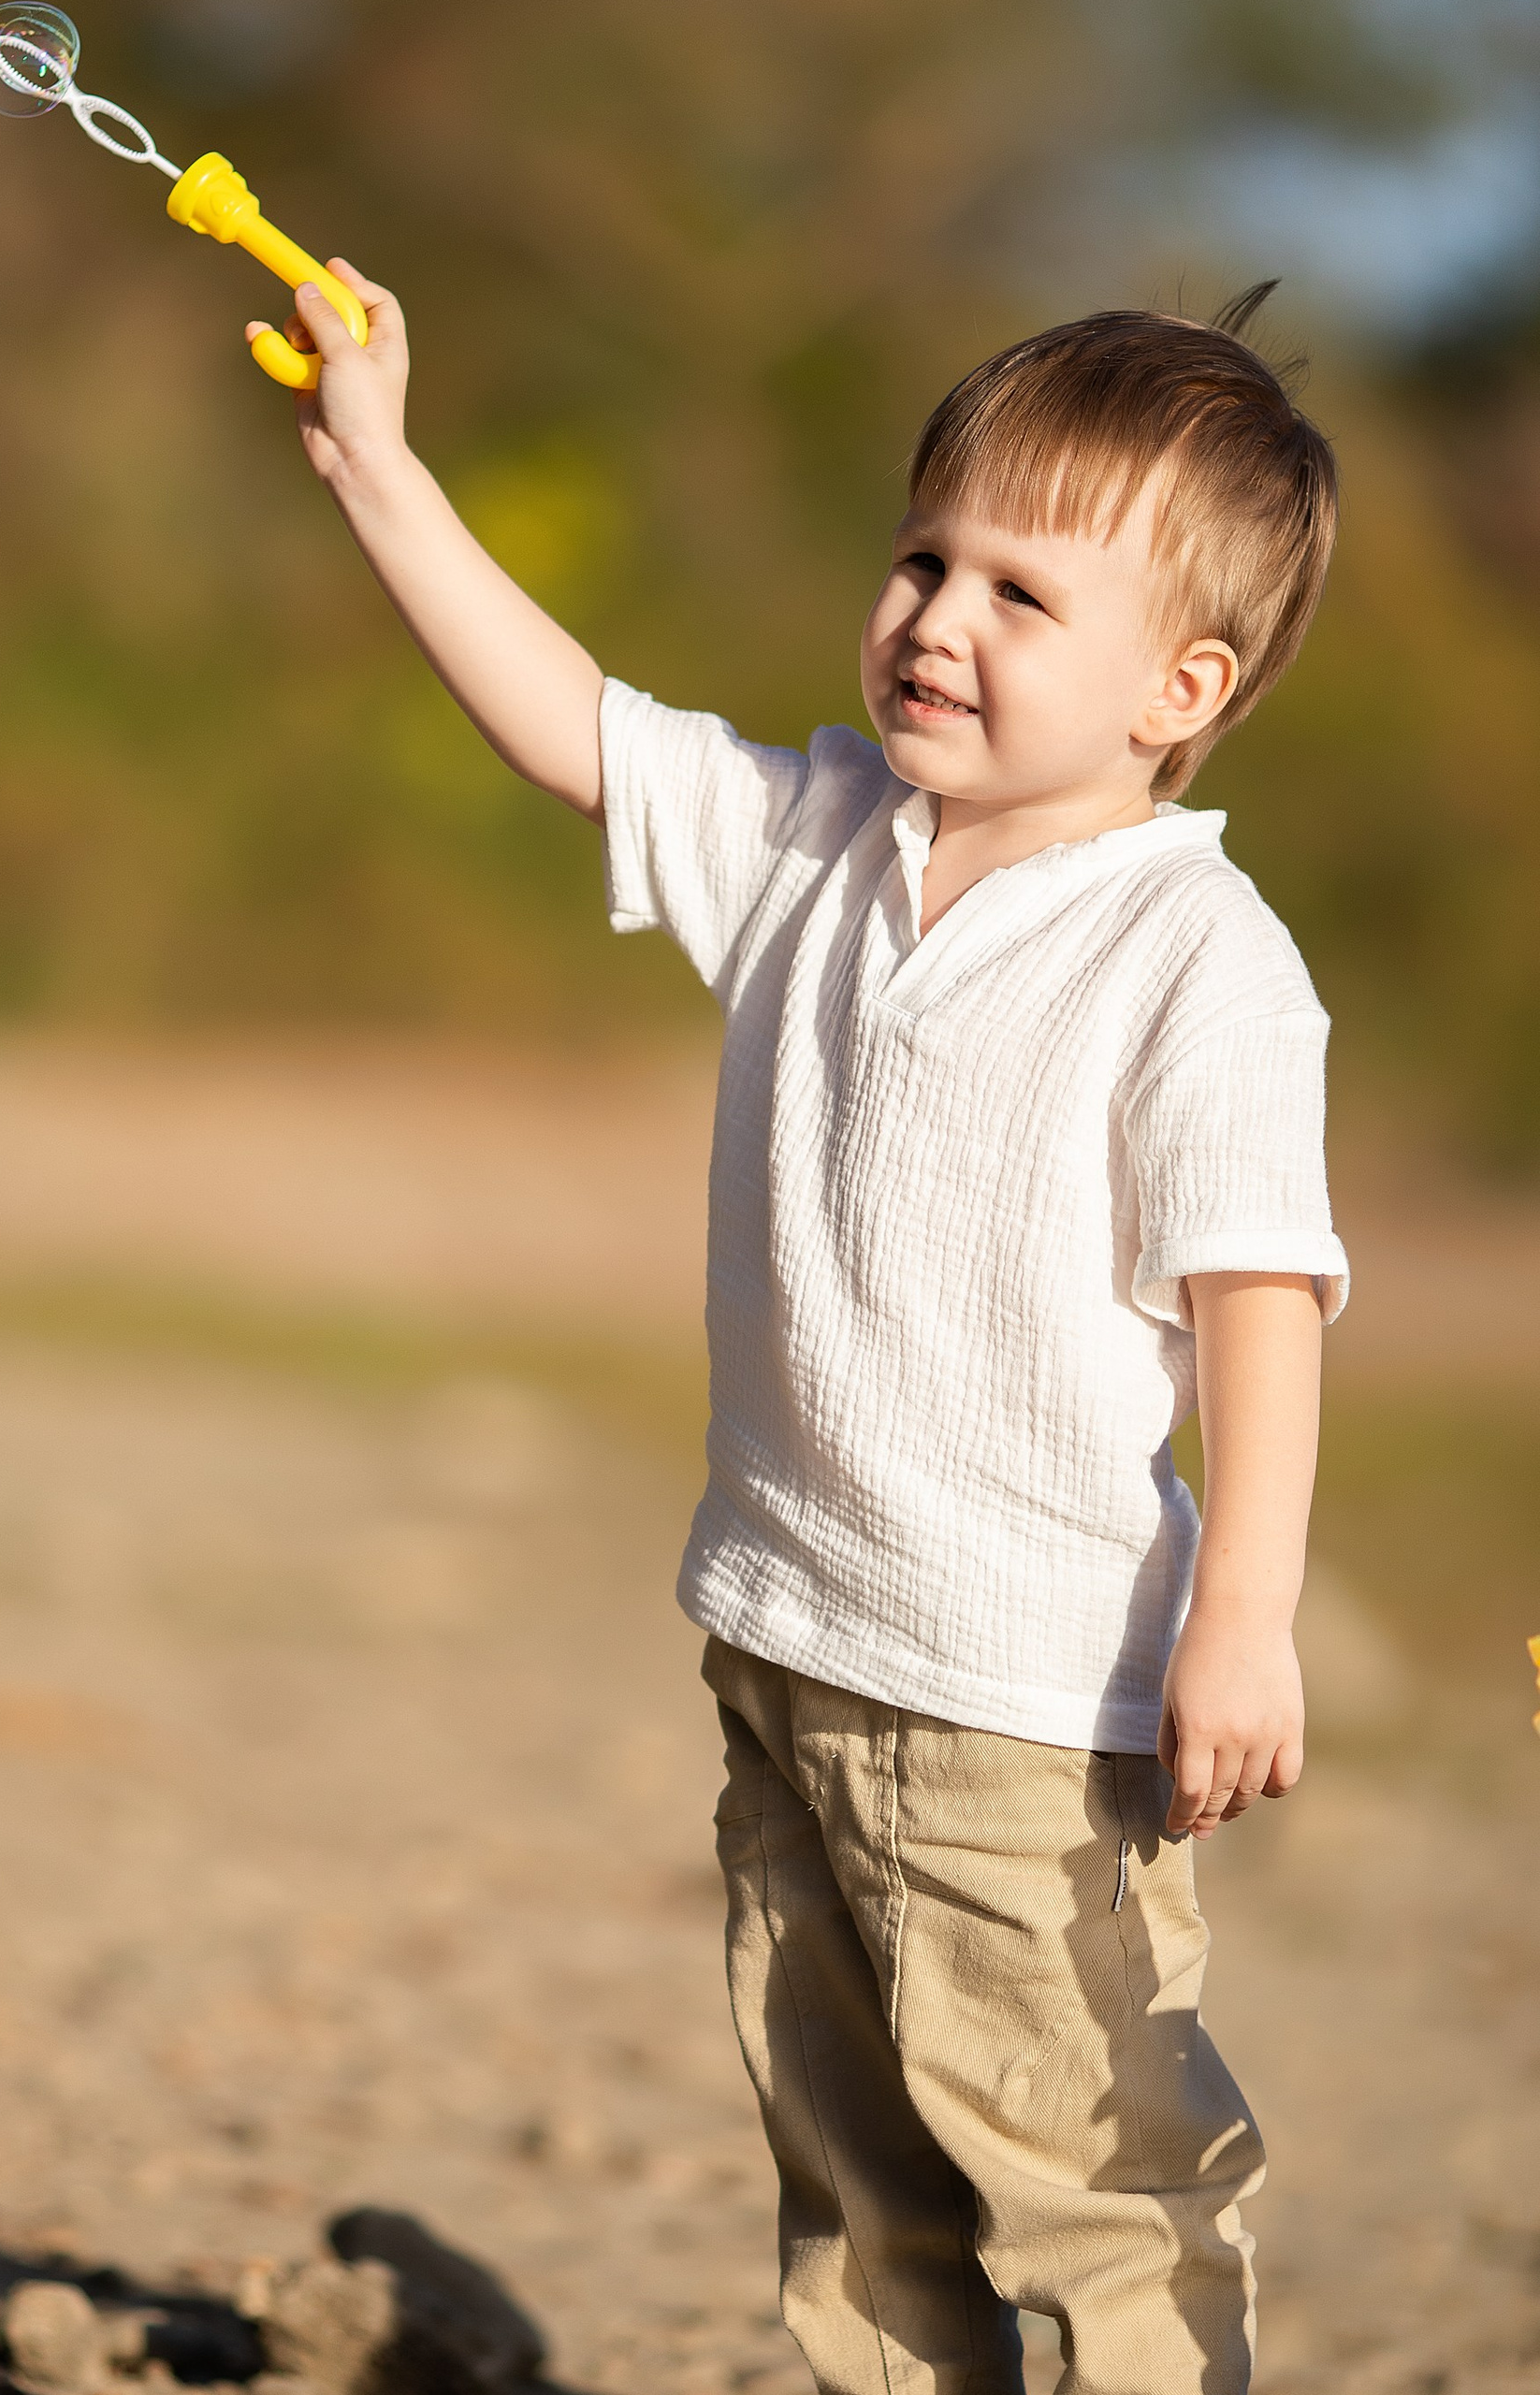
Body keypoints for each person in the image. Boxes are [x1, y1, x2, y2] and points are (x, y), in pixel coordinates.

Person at [251, 269, 1346, 2394]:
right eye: (923, 554)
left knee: (1089, 2174)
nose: (934, 615)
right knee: (851, 2178)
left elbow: (1257, 1297)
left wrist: (1247, 1612)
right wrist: (382, 469)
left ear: (1174, 685)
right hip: (786, 1632)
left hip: (1021, 1696)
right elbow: (574, 725)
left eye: (1018, 593)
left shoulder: (1193, 956)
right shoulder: (820, 838)